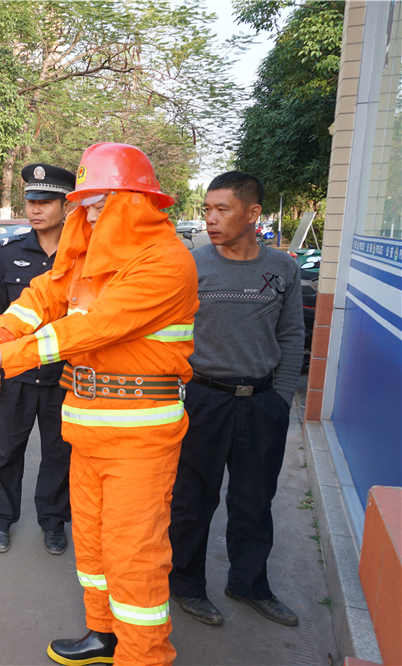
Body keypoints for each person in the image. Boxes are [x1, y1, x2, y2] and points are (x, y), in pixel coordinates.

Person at [0, 143, 199, 666]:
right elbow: (39, 300)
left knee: (134, 559)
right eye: (83, 205)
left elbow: (81, 331)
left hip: (139, 439)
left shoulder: (165, 264)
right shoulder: (87, 261)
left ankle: (144, 657)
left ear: (132, 202)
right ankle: (104, 636)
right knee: (91, 549)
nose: (84, 214)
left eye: (97, 204)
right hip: (88, 431)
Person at [168, 171, 303, 628]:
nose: (210, 218)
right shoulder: (192, 264)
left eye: (221, 209)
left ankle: (249, 584)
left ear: (252, 213)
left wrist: (280, 401)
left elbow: (290, 335)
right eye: (207, 209)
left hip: (261, 404)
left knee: (254, 502)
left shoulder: (283, 269)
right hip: (203, 400)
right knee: (191, 502)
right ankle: (186, 584)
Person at [0, 163, 75, 556]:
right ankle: (0, 519)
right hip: (17, 372)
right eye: (31, 200)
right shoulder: (10, 252)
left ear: (67, 205)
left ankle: (53, 522)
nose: (36, 209)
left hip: (65, 375)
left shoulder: (83, 257)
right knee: (4, 451)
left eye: (46, 201)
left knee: (59, 453)